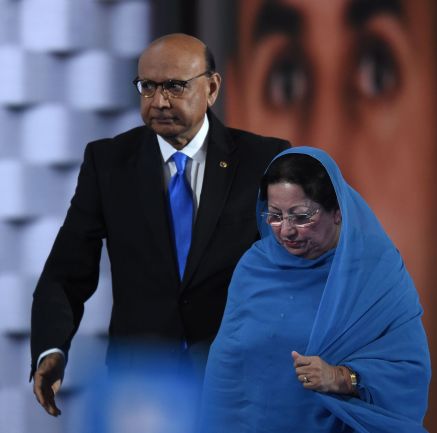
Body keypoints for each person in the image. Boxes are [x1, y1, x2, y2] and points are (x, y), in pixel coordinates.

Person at [224, 1, 437, 430]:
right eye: (285, 79)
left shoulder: (382, 277)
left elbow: (408, 376)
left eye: (377, 72)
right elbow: (227, 388)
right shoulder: (251, 274)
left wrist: (342, 377)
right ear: (238, 110)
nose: (328, 140)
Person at [29, 33, 290, 417]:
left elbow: (292, 271)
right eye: (147, 86)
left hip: (239, 380)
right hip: (140, 387)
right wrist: (52, 349)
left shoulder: (262, 159)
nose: (159, 101)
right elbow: (66, 274)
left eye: (174, 86)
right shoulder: (109, 162)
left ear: (212, 87)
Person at [199, 147, 431, 433]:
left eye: (301, 216)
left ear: (337, 212)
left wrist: (340, 377)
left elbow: (408, 370)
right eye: (274, 215)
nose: (286, 231)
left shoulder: (375, 271)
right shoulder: (255, 266)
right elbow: (227, 368)